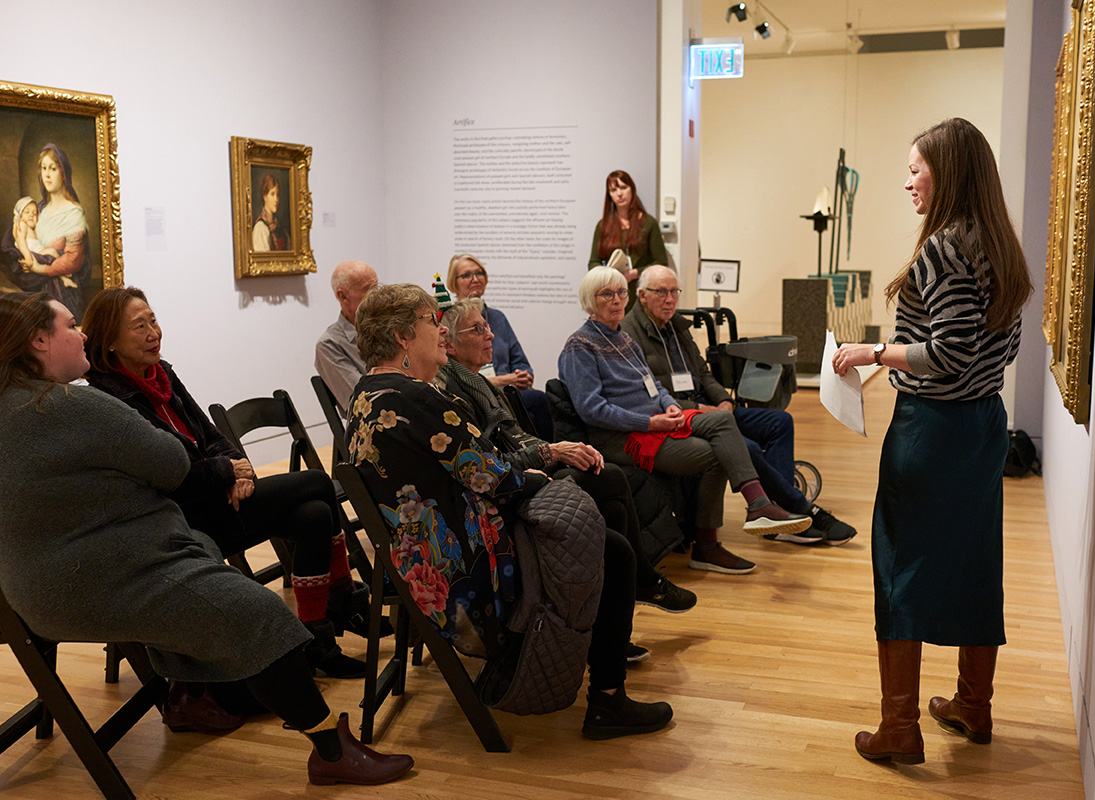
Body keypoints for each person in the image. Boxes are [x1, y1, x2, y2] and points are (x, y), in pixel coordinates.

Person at [0, 291, 413, 787]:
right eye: (70, 326)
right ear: (39, 341)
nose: (81, 333)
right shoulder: (74, 405)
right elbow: (173, 461)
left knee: (301, 520)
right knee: (255, 609)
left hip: (43, 586)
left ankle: (220, 680)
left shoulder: (19, 406)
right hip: (105, 574)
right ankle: (327, 747)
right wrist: (220, 469)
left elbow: (186, 449)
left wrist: (217, 467)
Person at [346, 283, 673, 740]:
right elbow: (496, 477)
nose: (440, 330)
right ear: (402, 335)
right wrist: (540, 476)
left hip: (430, 563)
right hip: (470, 572)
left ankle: (599, 656)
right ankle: (607, 700)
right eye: (429, 321)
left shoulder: (368, 393)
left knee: (600, 525)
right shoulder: (417, 399)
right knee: (613, 552)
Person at [832, 118, 1032, 764]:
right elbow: (1000, 347)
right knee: (977, 562)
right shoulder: (999, 244)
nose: (908, 181)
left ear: (946, 174)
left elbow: (946, 352)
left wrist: (875, 351)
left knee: (899, 567)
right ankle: (975, 704)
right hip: (982, 427)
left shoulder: (946, 247)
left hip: (933, 432)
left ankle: (899, 728)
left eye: (916, 169)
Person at [82, 286, 374, 680]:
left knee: (315, 515)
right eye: (139, 326)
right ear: (110, 340)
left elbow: (211, 435)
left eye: (153, 320)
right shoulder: (109, 399)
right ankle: (346, 599)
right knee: (317, 482)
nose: (154, 332)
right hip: (182, 520)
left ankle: (317, 638)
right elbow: (172, 475)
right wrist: (226, 472)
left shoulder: (162, 373)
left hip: (218, 499)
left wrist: (237, 466)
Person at [438, 297, 697, 617]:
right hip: (506, 493)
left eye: (488, 326)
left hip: (524, 471)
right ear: (448, 342)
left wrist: (559, 451)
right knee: (612, 488)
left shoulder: (475, 381)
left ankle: (615, 623)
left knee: (612, 508)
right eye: (478, 329)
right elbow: (492, 462)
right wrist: (552, 451)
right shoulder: (453, 390)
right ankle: (637, 591)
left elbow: (516, 438)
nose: (491, 334)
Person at [558, 266, 812, 576]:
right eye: (607, 294)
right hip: (621, 438)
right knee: (716, 455)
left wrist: (670, 407)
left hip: (656, 421)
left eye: (621, 292)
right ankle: (707, 545)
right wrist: (650, 423)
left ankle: (757, 503)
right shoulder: (580, 346)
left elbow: (654, 383)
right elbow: (592, 409)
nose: (616, 300)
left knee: (722, 421)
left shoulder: (623, 338)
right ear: (589, 300)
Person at [623, 265, 856, 546]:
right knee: (747, 447)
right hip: (681, 415)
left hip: (709, 407)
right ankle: (804, 510)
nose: (670, 299)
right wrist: (705, 410)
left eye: (674, 292)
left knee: (779, 422)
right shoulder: (629, 335)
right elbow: (651, 396)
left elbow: (704, 373)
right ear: (641, 295)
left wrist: (723, 399)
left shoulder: (677, 328)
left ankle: (777, 514)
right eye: (661, 292)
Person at [446, 253, 554, 441]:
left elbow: (522, 363)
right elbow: (458, 375)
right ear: (453, 283)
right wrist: (504, 380)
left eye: (479, 273)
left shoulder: (498, 318)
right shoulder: (450, 322)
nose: (475, 279)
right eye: (466, 275)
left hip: (510, 392)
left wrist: (523, 375)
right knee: (536, 400)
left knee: (538, 401)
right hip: (480, 394)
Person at [15, 145, 91, 318]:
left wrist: (37, 267)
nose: (47, 175)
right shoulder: (39, 209)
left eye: (53, 169)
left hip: (63, 294)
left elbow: (73, 261)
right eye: (43, 168)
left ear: (63, 173)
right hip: (37, 291)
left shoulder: (73, 212)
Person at [587, 170, 668, 312]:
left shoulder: (648, 223)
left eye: (623, 188)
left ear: (632, 190)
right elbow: (593, 262)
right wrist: (607, 274)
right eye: (613, 190)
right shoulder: (603, 226)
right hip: (611, 295)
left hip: (641, 295)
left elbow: (661, 263)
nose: (619, 193)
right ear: (609, 195)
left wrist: (634, 274)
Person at [315, 259, 379, 414]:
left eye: (377, 286)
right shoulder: (330, 344)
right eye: (369, 289)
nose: (377, 295)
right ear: (343, 296)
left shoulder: (388, 326)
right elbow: (363, 402)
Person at [251, 173, 289, 252]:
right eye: (272, 194)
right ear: (265, 197)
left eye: (277, 195)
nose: (276, 199)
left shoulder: (280, 228)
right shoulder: (260, 229)